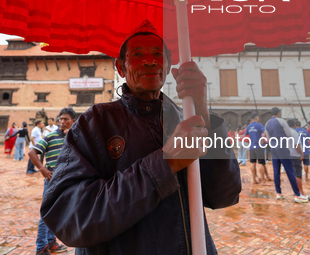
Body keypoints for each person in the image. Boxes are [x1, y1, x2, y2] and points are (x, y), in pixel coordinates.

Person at [40, 20, 241, 254]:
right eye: (137, 54)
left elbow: (224, 195)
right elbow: (70, 217)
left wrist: (201, 110)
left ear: (168, 67)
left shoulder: (185, 118)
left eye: (158, 53)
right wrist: (165, 163)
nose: (149, 60)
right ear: (121, 67)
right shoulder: (95, 123)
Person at [28, 109, 76, 255]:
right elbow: (32, 152)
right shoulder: (50, 137)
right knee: (46, 213)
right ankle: (41, 248)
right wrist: (42, 168)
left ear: (73, 121)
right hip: (53, 180)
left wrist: (71, 138)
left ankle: (51, 242)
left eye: (66, 119)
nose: (62, 122)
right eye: (60, 119)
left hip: (68, 181)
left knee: (57, 213)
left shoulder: (75, 137)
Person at [266, 109, 309, 203]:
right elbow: (289, 134)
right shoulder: (282, 121)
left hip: (273, 148)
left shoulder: (267, 123)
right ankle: (298, 195)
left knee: (276, 171)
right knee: (290, 171)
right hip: (282, 148)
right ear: (278, 113)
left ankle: (279, 193)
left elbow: (268, 138)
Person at [288, 119, 310, 198]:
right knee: (298, 174)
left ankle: (296, 191)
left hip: (288, 156)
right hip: (295, 155)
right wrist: (301, 154)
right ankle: (300, 192)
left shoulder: (284, 133)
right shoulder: (294, 132)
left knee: (292, 174)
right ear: (294, 125)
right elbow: (297, 145)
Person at [246, 112, 269, 184]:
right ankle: (263, 181)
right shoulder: (259, 125)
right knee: (261, 163)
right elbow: (265, 131)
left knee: (253, 163)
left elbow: (246, 134)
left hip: (252, 147)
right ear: (256, 118)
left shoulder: (249, 126)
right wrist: (263, 139)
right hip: (259, 146)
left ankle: (253, 179)